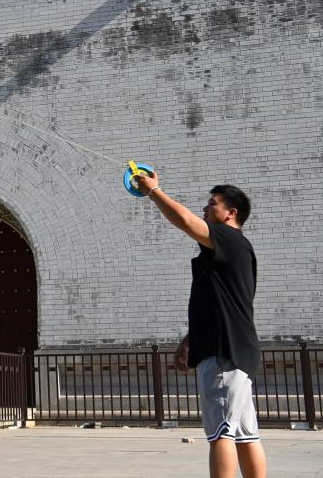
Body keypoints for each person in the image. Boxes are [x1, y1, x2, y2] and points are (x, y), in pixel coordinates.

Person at [134, 170, 267, 478]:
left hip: (224, 352)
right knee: (245, 434)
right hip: (238, 350)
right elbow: (220, 304)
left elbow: (186, 221)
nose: (205, 209)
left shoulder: (227, 238)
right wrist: (190, 338)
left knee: (221, 432)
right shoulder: (236, 248)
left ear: (231, 213)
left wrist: (153, 191)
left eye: (212, 204)